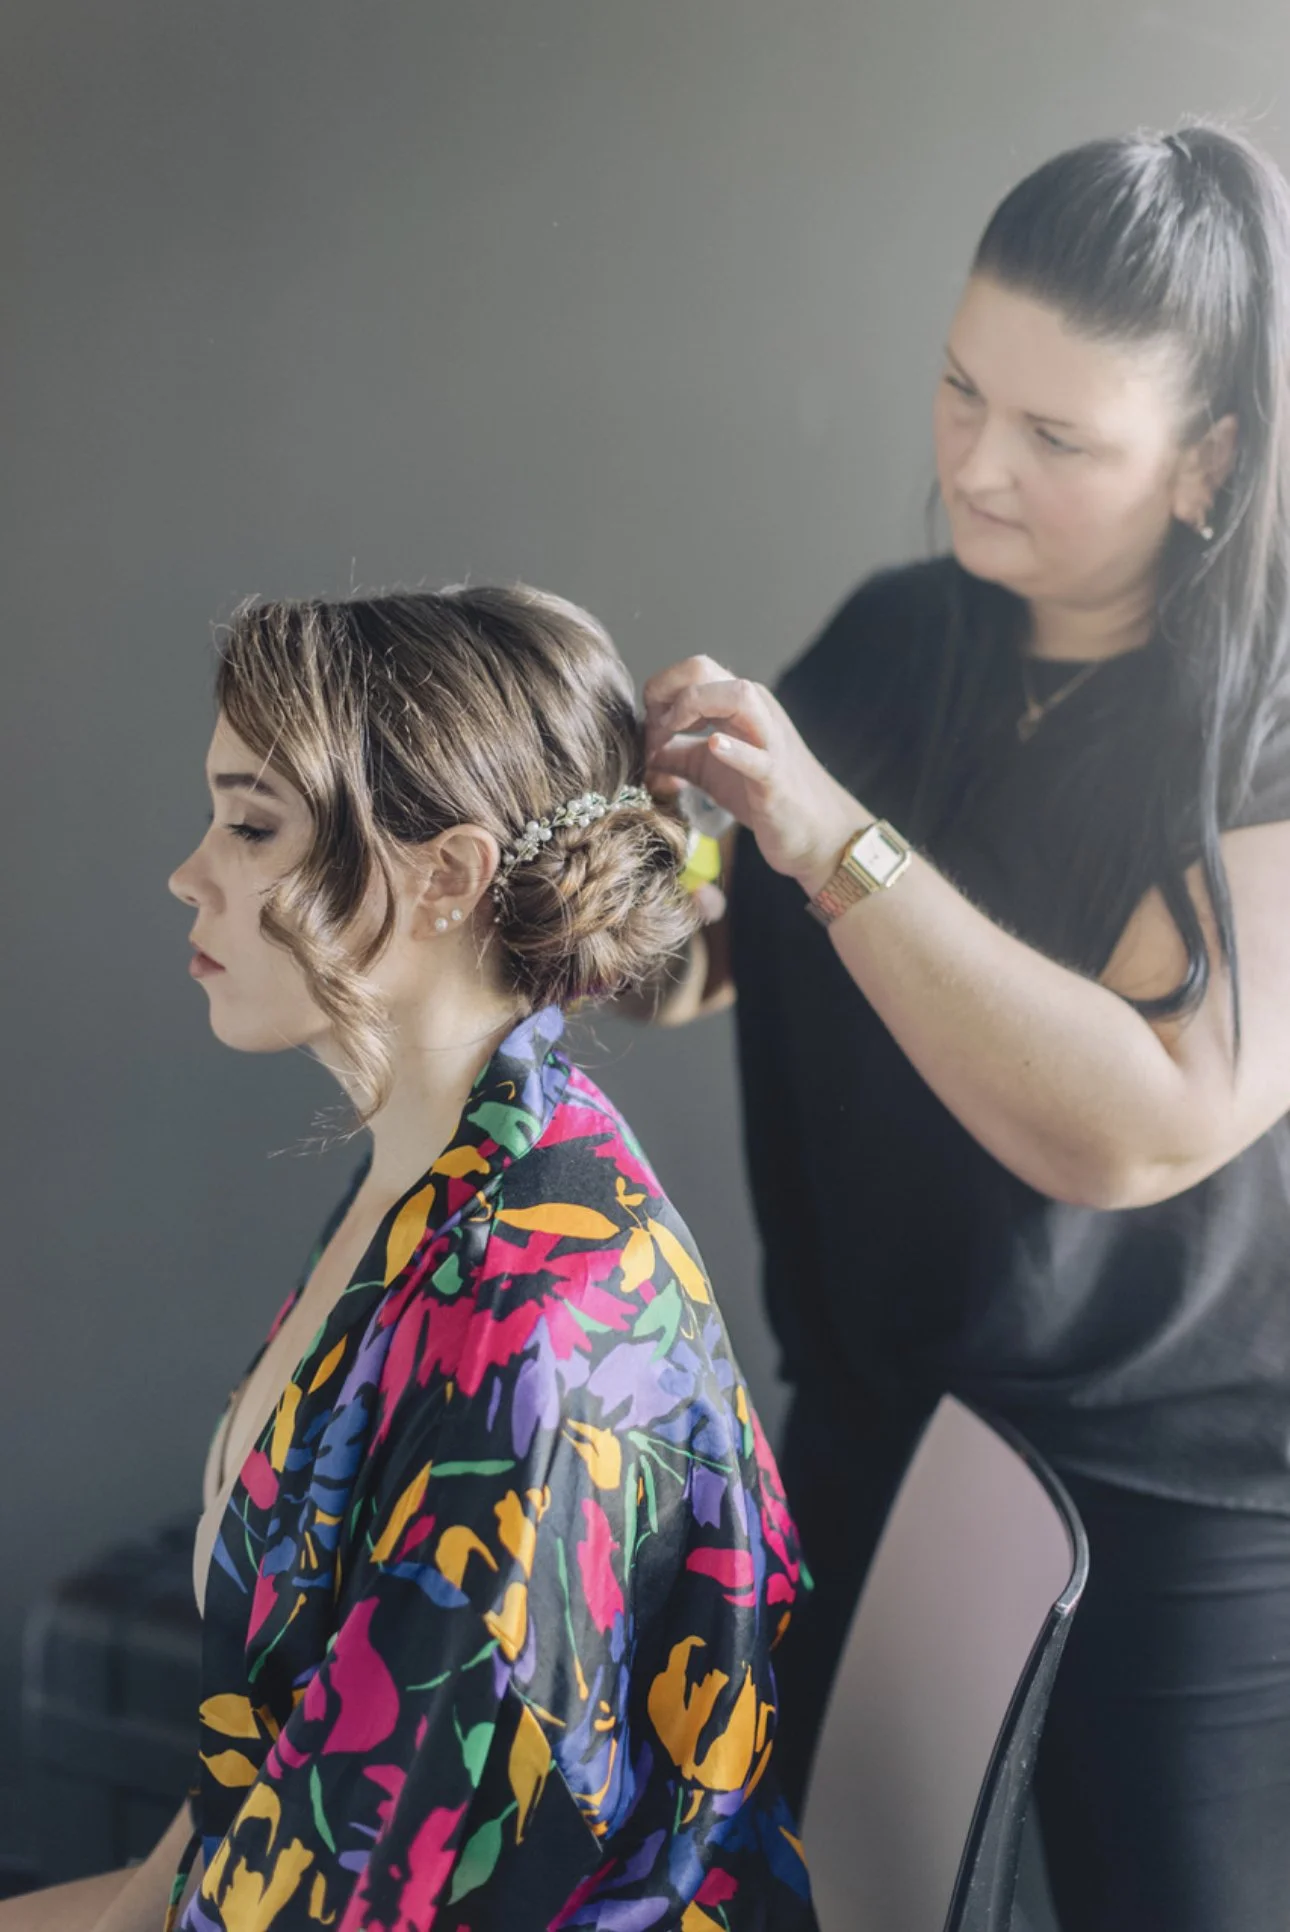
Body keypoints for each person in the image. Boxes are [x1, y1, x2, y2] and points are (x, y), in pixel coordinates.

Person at [643, 123, 1290, 1931]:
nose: (974, 467)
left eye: (1056, 437)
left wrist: (822, 830)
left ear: (1207, 459)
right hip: (872, 1440)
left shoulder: (1263, 728)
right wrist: (607, 874)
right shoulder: (890, 636)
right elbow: (717, 962)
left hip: (1175, 1504)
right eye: (957, 390)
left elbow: (1139, 1118)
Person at [6, 586, 814, 1932]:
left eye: (250, 826)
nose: (189, 874)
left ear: (445, 876)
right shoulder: (435, 1169)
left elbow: (387, 1888)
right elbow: (280, 1753)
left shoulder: (527, 1326)